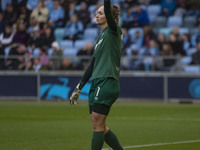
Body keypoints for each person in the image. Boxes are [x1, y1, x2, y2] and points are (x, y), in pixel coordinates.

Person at [69, 0, 124, 150]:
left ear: (108, 16)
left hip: (107, 82)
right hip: (97, 83)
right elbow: (92, 66)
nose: (96, 15)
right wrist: (79, 87)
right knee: (101, 126)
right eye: (97, 12)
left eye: (100, 13)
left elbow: (107, 6)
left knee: (97, 127)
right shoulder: (100, 38)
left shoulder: (114, 30)